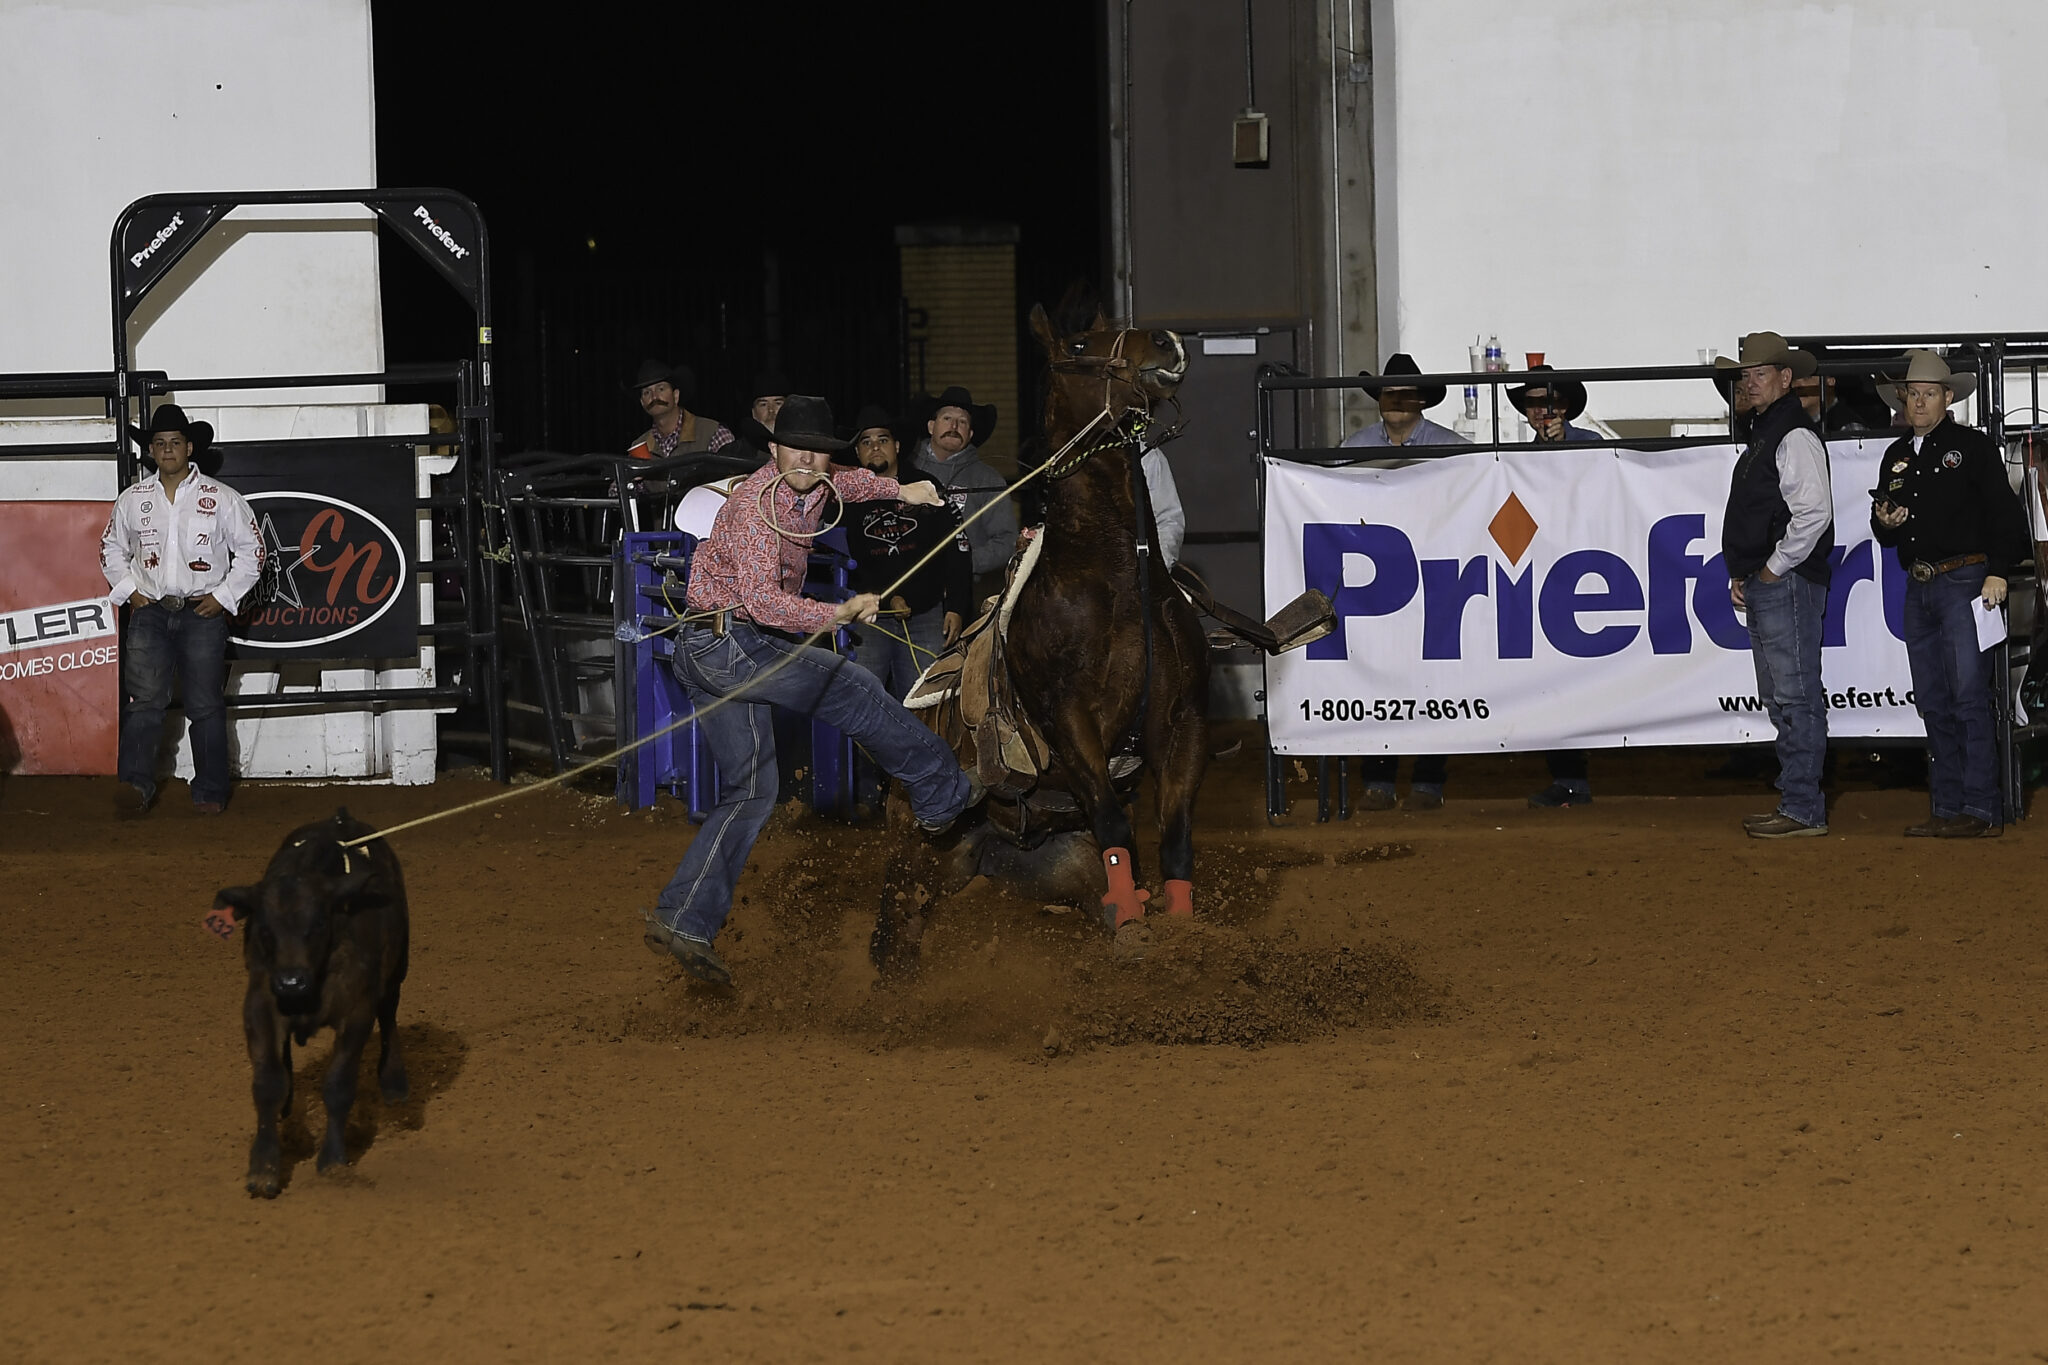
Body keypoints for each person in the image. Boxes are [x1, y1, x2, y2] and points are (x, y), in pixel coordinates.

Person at [641, 396, 980, 986]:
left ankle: (684, 918)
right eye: (795, 446)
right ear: (773, 449)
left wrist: (904, 493)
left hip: (716, 647)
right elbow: (762, 601)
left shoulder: (818, 483)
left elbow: (848, 481)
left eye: (817, 450)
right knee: (850, 685)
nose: (806, 458)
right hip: (730, 643)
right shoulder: (752, 507)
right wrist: (839, 611)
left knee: (752, 791)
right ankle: (941, 790)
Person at [1871, 350, 2030, 837]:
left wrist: (1997, 571)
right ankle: (1950, 805)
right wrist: (1885, 522)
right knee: (1936, 699)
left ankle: (1978, 806)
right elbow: (1885, 527)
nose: (1919, 402)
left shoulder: (1974, 448)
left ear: (1948, 398)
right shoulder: (1896, 455)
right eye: (1913, 393)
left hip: (1964, 580)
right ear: (1904, 399)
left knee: (1965, 696)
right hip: (1922, 584)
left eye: (1928, 394)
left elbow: (2004, 514)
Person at [100, 404, 262, 816]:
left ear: (189, 448)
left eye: (175, 443)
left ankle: (209, 790)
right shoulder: (132, 500)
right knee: (145, 702)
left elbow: (252, 552)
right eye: (160, 443)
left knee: (205, 703)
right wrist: (130, 592)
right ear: (151, 451)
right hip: (150, 612)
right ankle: (134, 786)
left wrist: (223, 598)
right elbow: (111, 549)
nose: (168, 450)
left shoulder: (221, 498)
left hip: (201, 613)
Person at [1716, 333, 1835, 838]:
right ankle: (1797, 801)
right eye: (1745, 376)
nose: (1748, 384)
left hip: (1783, 581)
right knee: (1784, 697)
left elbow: (1813, 514)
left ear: (1786, 379)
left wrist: (1769, 569)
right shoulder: (1774, 432)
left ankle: (1803, 805)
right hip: (1773, 580)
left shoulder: (1789, 434)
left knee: (1794, 695)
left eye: (1758, 374)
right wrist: (1753, 572)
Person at [1509, 365, 1600, 808]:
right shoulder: (1512, 463)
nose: (1542, 412)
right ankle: (1570, 778)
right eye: (1534, 403)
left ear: (1565, 407)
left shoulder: (1596, 448)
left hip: (1595, 580)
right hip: (1550, 583)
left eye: (1549, 402)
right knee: (1553, 680)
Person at [841, 404, 973, 698]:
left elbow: (957, 548)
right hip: (869, 621)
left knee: (925, 705)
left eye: (883, 440)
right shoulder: (845, 497)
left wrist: (956, 606)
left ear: (897, 446)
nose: (875, 448)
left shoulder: (927, 485)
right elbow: (842, 560)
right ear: (857, 453)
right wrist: (889, 595)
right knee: (864, 704)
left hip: (926, 617)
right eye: (866, 442)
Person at [911, 386, 1016, 602]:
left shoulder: (988, 479)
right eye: (947, 417)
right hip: (906, 589)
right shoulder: (904, 471)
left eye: (963, 422)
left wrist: (962, 563)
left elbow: (1007, 540)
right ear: (931, 426)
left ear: (970, 435)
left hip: (965, 593)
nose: (954, 426)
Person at [1339, 354, 1470, 449]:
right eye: (1389, 392)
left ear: (1420, 401)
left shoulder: (1451, 449)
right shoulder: (1354, 447)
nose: (1395, 400)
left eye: (1405, 393)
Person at [625, 360, 732, 461]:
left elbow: (737, 477)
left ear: (676, 395)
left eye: (661, 389)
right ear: (642, 403)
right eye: (647, 393)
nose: (654, 397)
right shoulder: (639, 448)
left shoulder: (713, 433)